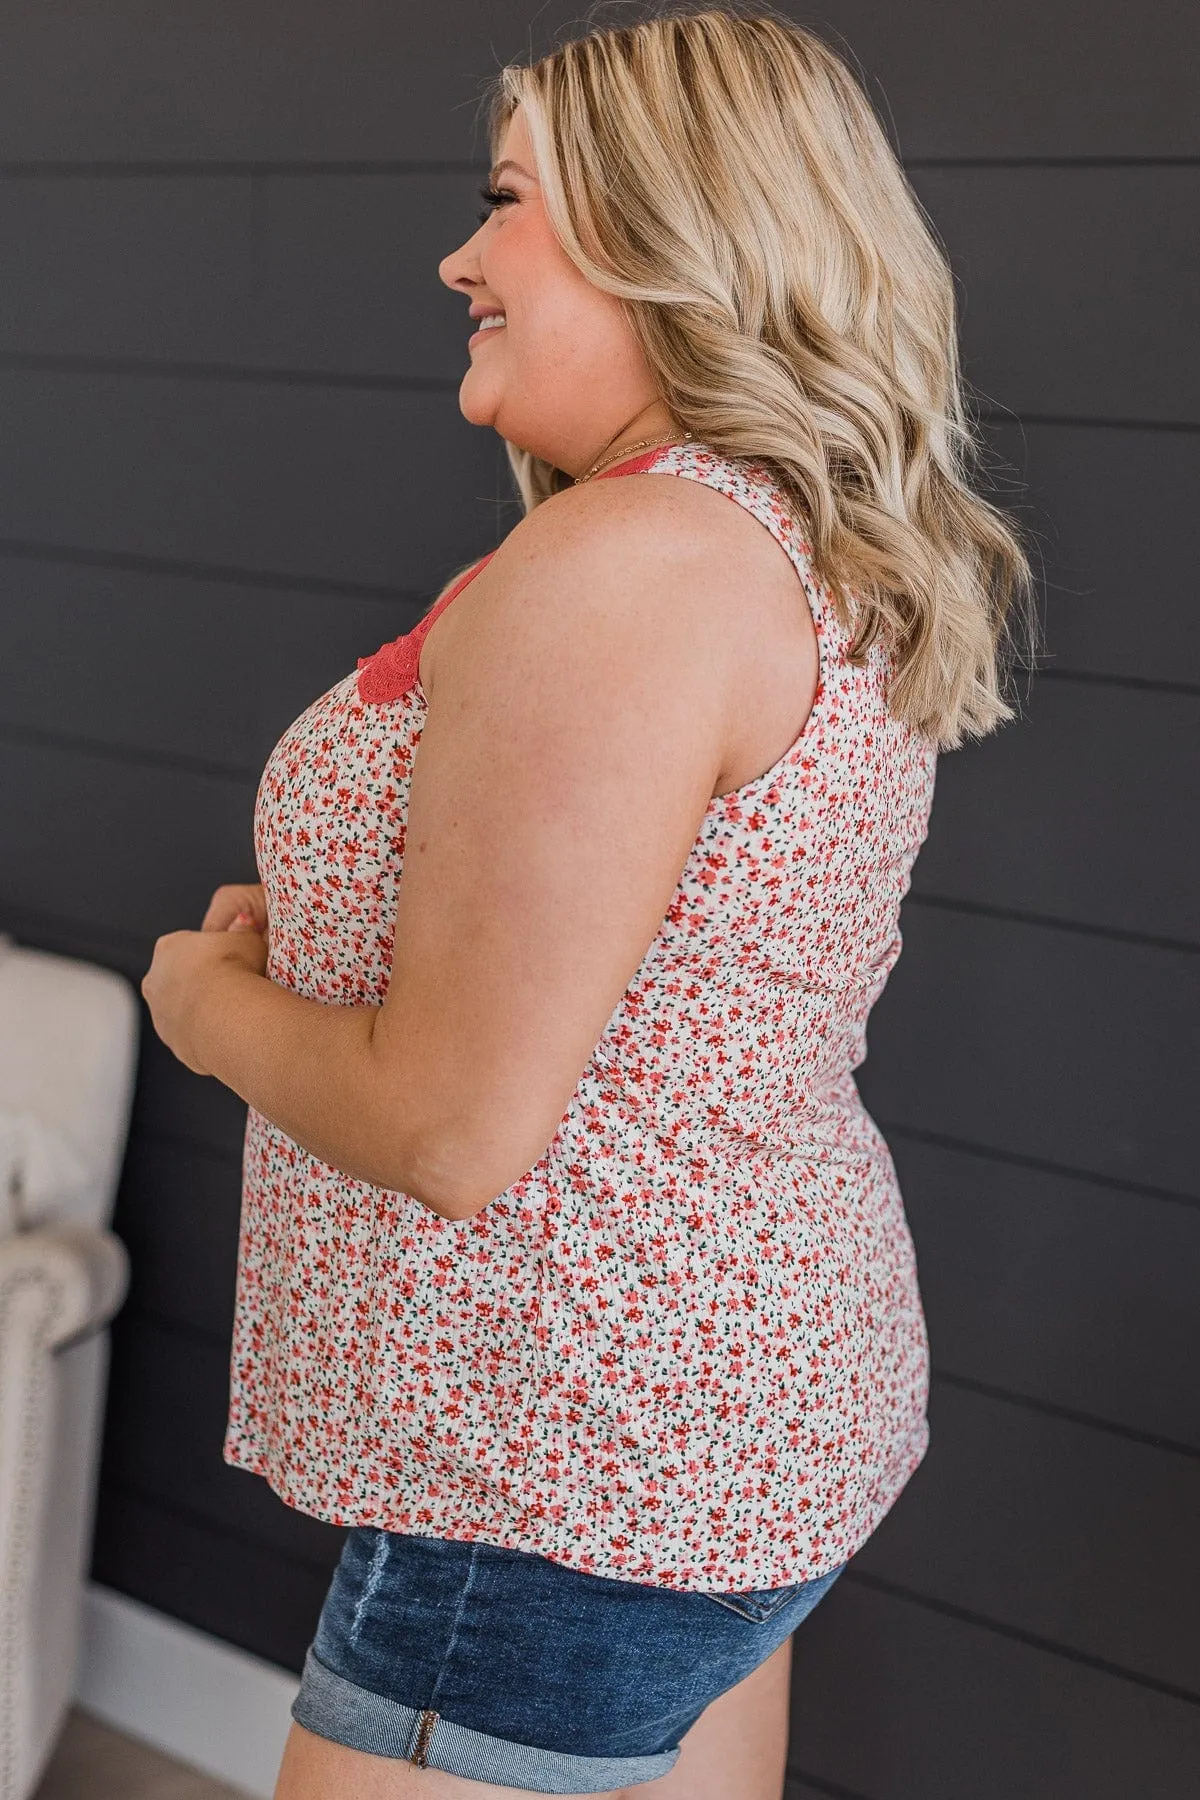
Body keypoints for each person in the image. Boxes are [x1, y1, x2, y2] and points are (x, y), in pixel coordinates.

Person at [141, 5, 1035, 1796]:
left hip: (557, 1474)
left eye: (508, 200)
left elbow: (454, 1127)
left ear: (672, 226)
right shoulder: (761, 534)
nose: (459, 254)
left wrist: (208, 1005)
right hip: (720, 1447)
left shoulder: (627, 570)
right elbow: (668, 957)